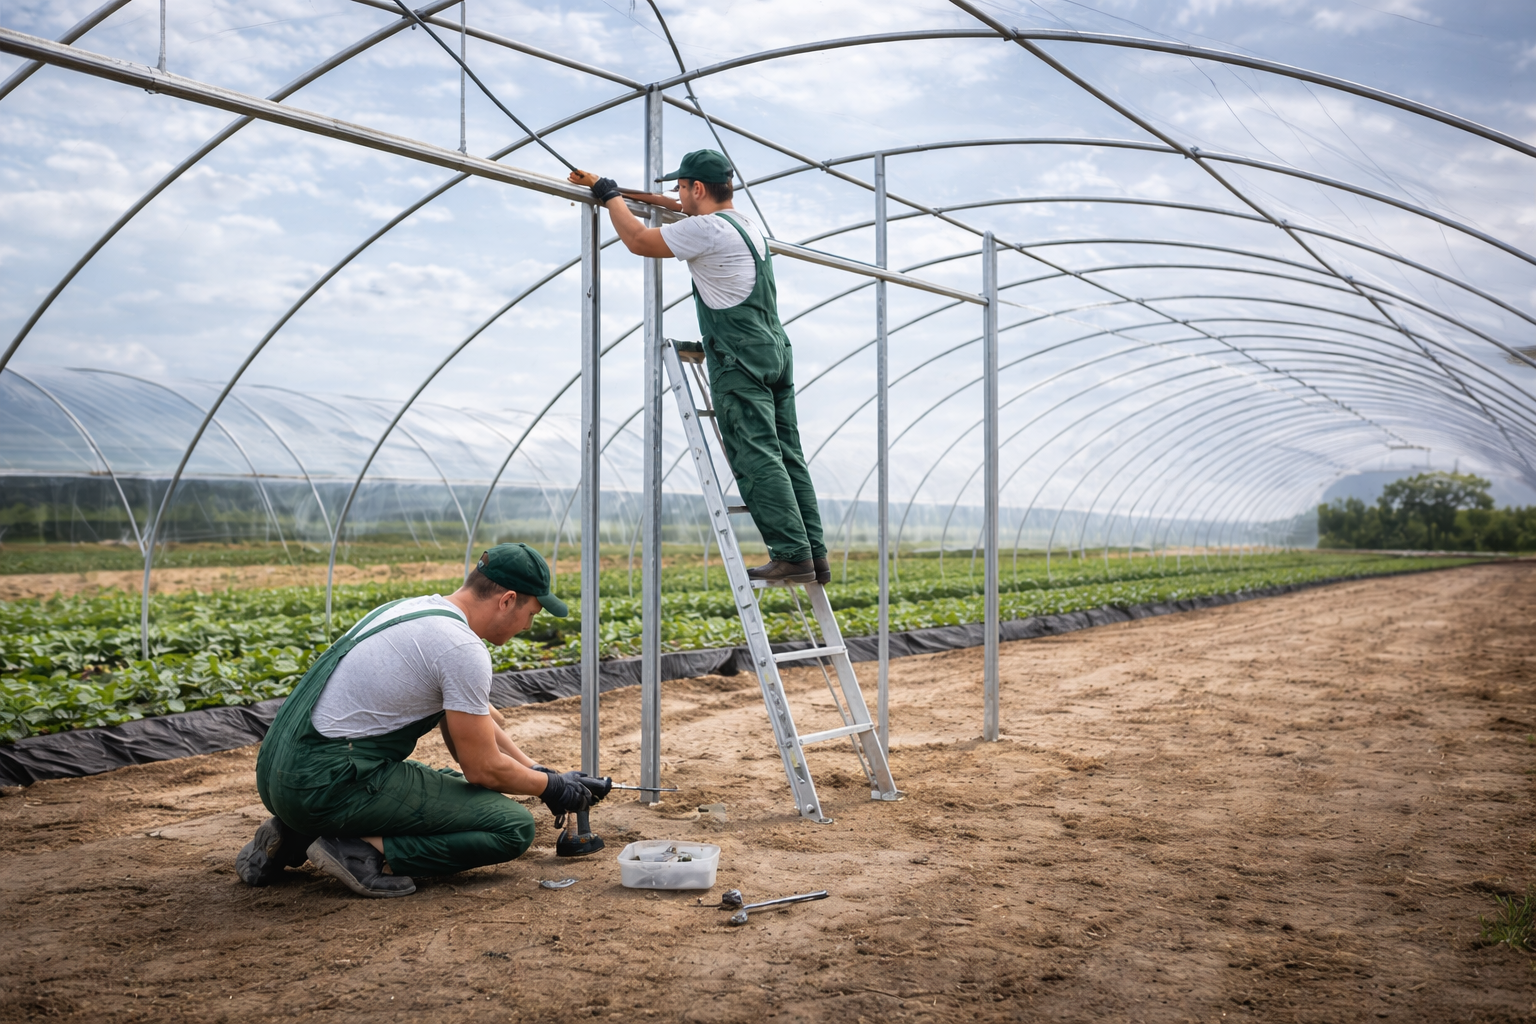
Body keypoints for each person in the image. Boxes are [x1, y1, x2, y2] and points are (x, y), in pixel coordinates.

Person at [236, 543, 598, 898]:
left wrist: (539, 771)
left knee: (452, 785)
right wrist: (549, 788)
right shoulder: (462, 649)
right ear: (506, 600)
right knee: (511, 827)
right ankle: (358, 849)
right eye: (531, 614)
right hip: (325, 781)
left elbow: (478, 727)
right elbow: (482, 767)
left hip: (279, 772)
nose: (529, 626)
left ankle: (295, 834)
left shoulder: (413, 611)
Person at [570, 150, 830, 585]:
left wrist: (607, 196)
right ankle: (814, 554)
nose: (677, 194)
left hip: (739, 355)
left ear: (700, 189)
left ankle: (791, 554)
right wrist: (612, 185)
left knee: (756, 454)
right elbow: (672, 207)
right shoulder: (744, 224)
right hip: (775, 351)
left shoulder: (705, 230)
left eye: (682, 186)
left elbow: (638, 240)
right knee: (789, 455)